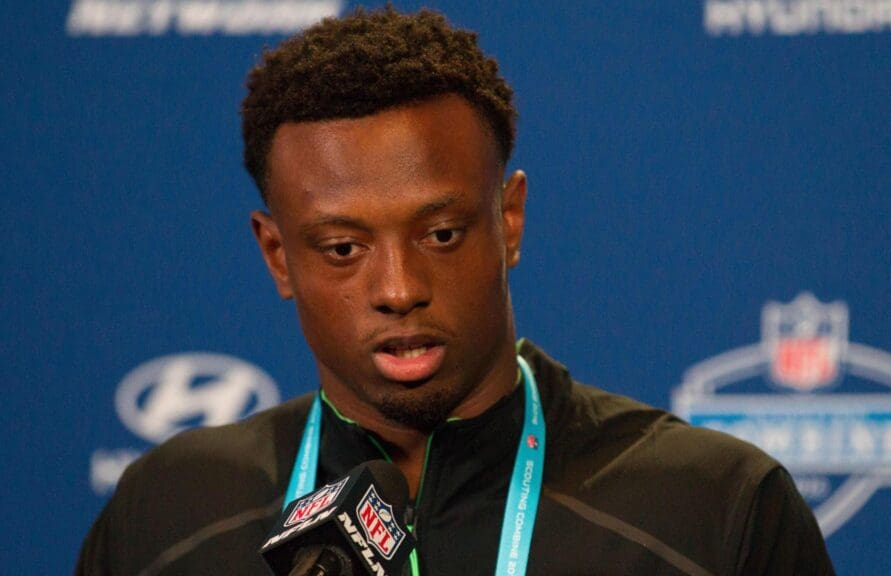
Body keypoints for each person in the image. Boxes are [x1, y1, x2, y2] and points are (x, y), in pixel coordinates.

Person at [77, 6, 835, 575]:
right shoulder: (167, 516)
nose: (400, 288)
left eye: (440, 234)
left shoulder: (716, 511)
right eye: (343, 248)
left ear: (509, 221)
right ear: (277, 255)